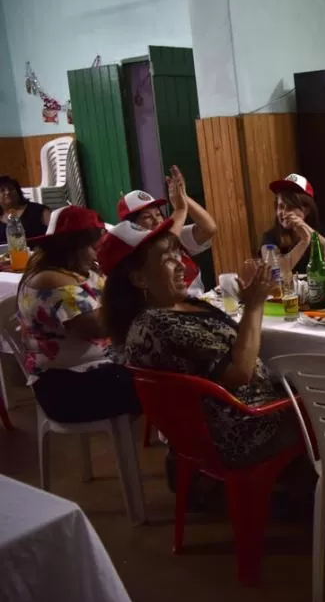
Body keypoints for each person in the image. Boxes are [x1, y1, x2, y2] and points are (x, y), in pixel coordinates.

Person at [100, 219, 300, 469]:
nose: (182, 265)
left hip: (220, 425)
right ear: (139, 278)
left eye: (178, 254)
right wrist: (255, 304)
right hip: (244, 429)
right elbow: (240, 373)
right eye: (167, 259)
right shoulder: (158, 324)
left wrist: (249, 301)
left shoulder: (175, 307)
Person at [16, 206, 140, 424]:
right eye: (93, 247)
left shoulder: (77, 271)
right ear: (71, 247)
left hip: (92, 373)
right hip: (67, 388)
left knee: (167, 372)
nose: (98, 253)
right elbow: (101, 327)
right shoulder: (51, 280)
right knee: (164, 384)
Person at [117, 166, 217, 296]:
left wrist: (184, 197)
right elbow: (163, 246)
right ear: (131, 225)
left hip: (198, 304)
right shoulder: (137, 251)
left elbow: (209, 228)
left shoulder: (172, 236)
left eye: (158, 214)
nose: (156, 220)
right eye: (147, 217)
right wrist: (180, 209)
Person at [261, 173, 319, 274]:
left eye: (290, 207)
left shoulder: (321, 232)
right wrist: (304, 241)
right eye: (281, 206)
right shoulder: (269, 238)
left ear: (306, 210)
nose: (284, 213)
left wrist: (307, 231)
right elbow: (277, 271)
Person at [0, 175, 49, 243]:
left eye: (11, 189)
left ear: (18, 192)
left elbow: (55, 235)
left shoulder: (38, 210)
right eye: (2, 190)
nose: (8, 192)